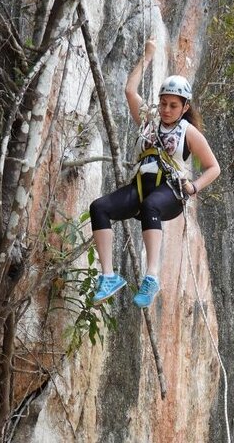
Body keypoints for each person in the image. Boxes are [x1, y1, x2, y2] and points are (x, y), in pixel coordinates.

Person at [89, 39, 220, 308]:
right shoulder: (149, 121)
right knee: (99, 207)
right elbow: (129, 90)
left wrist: (194, 187)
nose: (167, 109)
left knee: (151, 205)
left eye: (173, 105)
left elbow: (213, 167)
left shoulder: (188, 132)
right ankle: (109, 276)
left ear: (184, 107)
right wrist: (147, 56)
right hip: (141, 184)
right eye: (163, 103)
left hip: (170, 191)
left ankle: (151, 277)